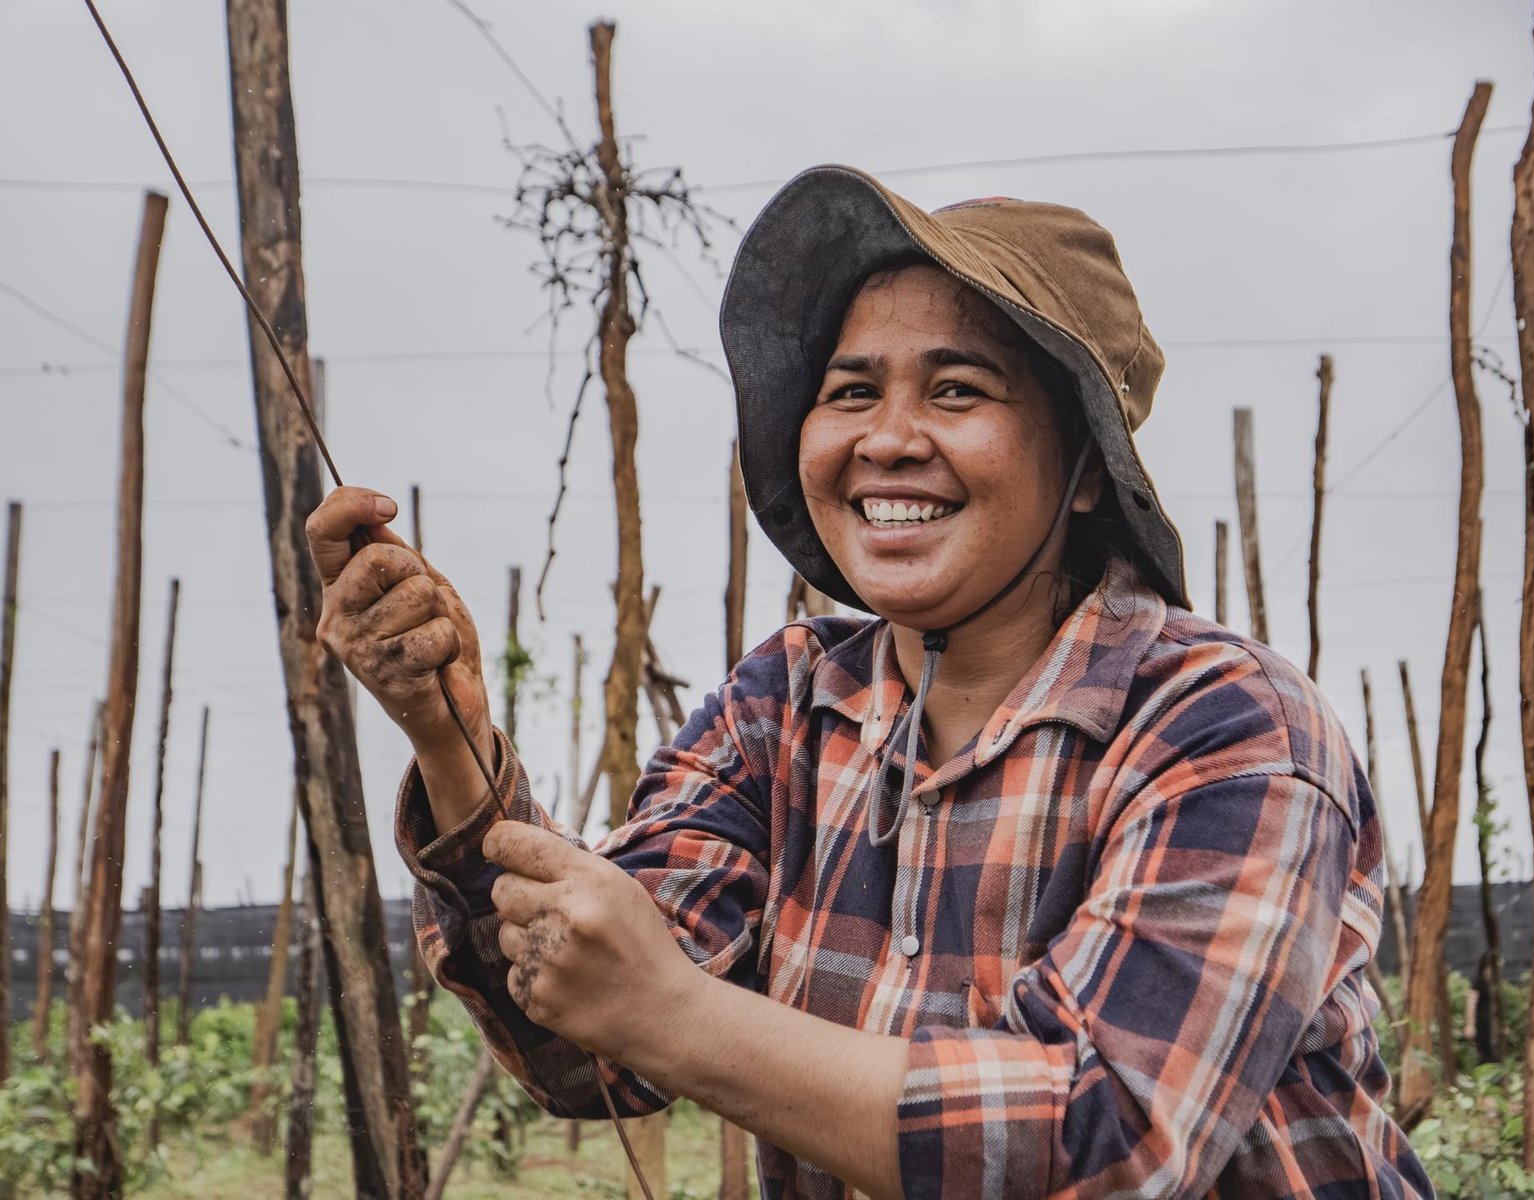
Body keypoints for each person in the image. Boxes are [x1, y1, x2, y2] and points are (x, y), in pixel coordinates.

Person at [308, 166, 1432, 1200]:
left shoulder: (1223, 727)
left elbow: (1107, 1141)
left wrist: (681, 1015)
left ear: (1086, 468)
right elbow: (585, 1037)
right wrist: (449, 739)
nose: (888, 438)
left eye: (957, 391)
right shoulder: (781, 710)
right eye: (850, 392)